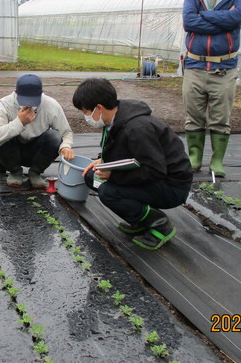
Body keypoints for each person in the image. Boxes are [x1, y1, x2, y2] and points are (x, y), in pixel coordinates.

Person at [72, 78, 193, 251]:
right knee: (92, 176)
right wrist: (103, 160)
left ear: (99, 108)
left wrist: (113, 174)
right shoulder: (116, 119)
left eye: (86, 112)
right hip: (149, 177)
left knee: (108, 192)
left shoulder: (137, 128)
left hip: (171, 186)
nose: (86, 117)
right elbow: (127, 152)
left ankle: (160, 224)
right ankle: (141, 219)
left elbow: (155, 170)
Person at [182, 0, 241, 177]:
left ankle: (217, 161)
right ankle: (194, 158)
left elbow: (236, 18)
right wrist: (221, 21)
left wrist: (205, 16)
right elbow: (189, 21)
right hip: (195, 65)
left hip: (223, 67)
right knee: (194, 115)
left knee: (221, 118)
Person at [0, 74, 74, 188]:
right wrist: (19, 123)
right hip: (12, 150)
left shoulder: (51, 105)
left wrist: (65, 146)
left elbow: (66, 133)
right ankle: (15, 171)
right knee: (0, 136)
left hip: (35, 150)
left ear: (41, 93)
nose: (29, 104)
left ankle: (35, 172)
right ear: (15, 92)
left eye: (34, 100)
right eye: (25, 100)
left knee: (55, 137)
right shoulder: (4, 104)